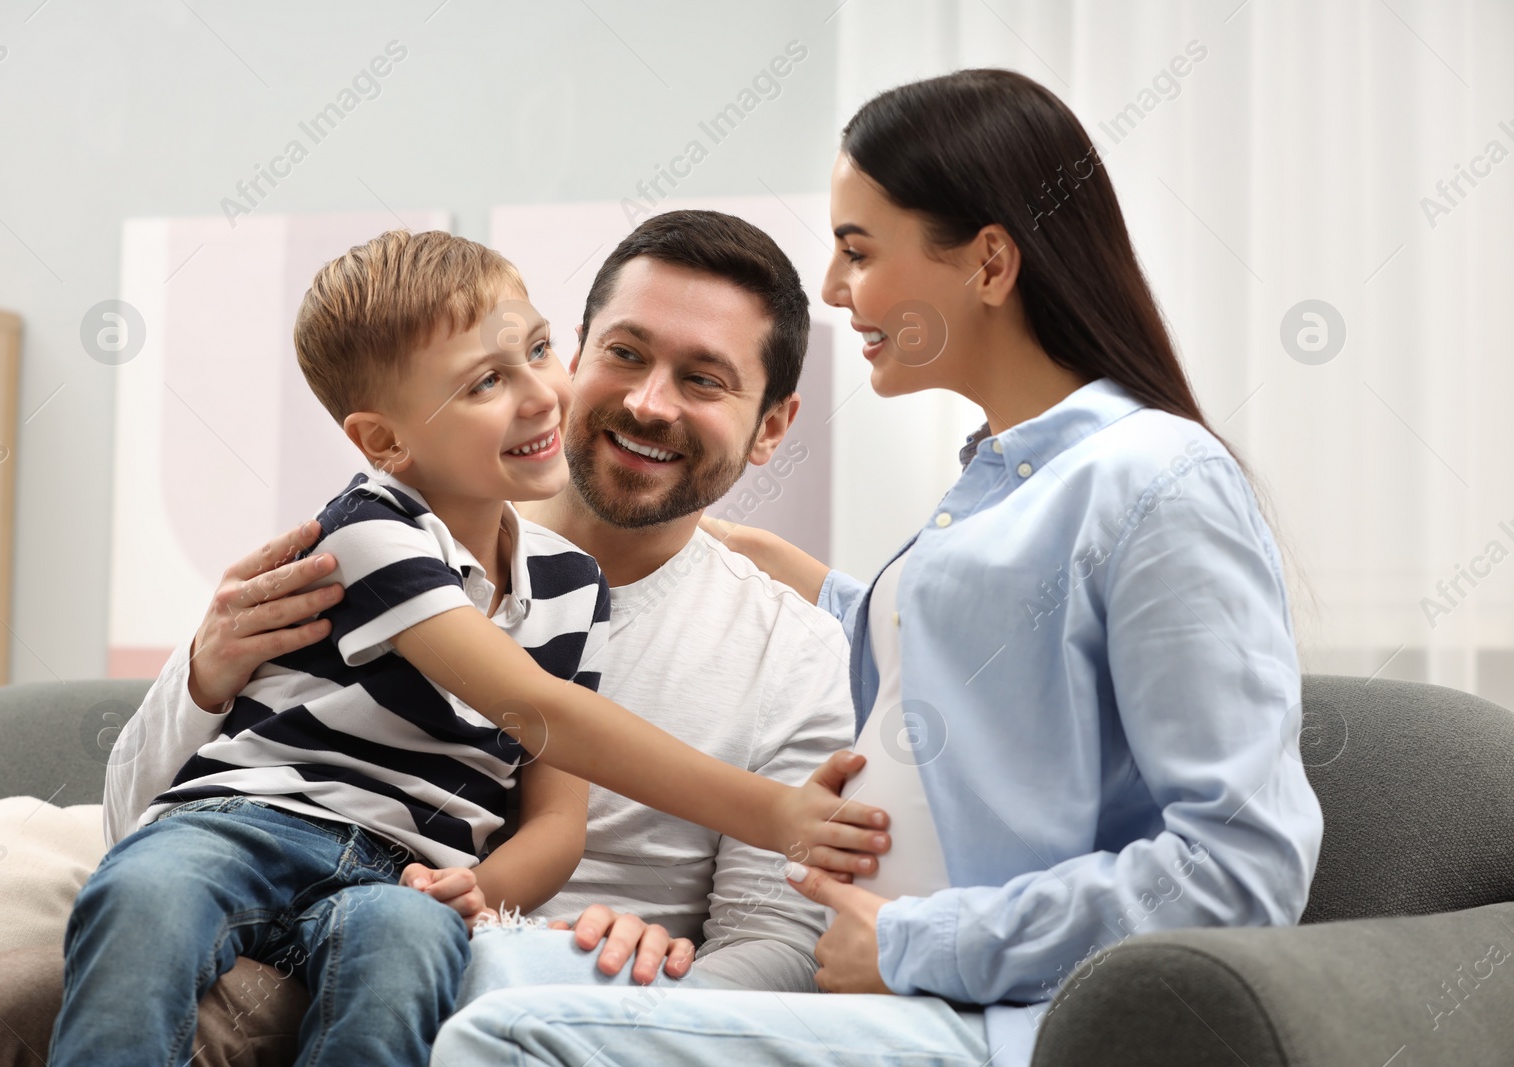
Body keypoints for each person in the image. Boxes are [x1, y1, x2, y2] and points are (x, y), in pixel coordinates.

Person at [432, 67, 1326, 1067]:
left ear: (988, 263)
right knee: (481, 979)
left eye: (858, 249)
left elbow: (1244, 866)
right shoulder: (1005, 482)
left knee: (504, 1036)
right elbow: (992, 675)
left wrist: (912, 941)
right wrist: (812, 581)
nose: (831, 288)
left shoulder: (1158, 479)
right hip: (890, 992)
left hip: (979, 1013)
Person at [0, 210, 874, 1067]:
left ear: (771, 426)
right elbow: (142, 830)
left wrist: (617, 984)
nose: (650, 402)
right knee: (0, 1000)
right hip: (273, 906)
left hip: (511, 962)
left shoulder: (781, 642)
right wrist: (208, 672)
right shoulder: (362, 543)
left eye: (703, 380)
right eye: (624, 353)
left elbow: (772, 934)